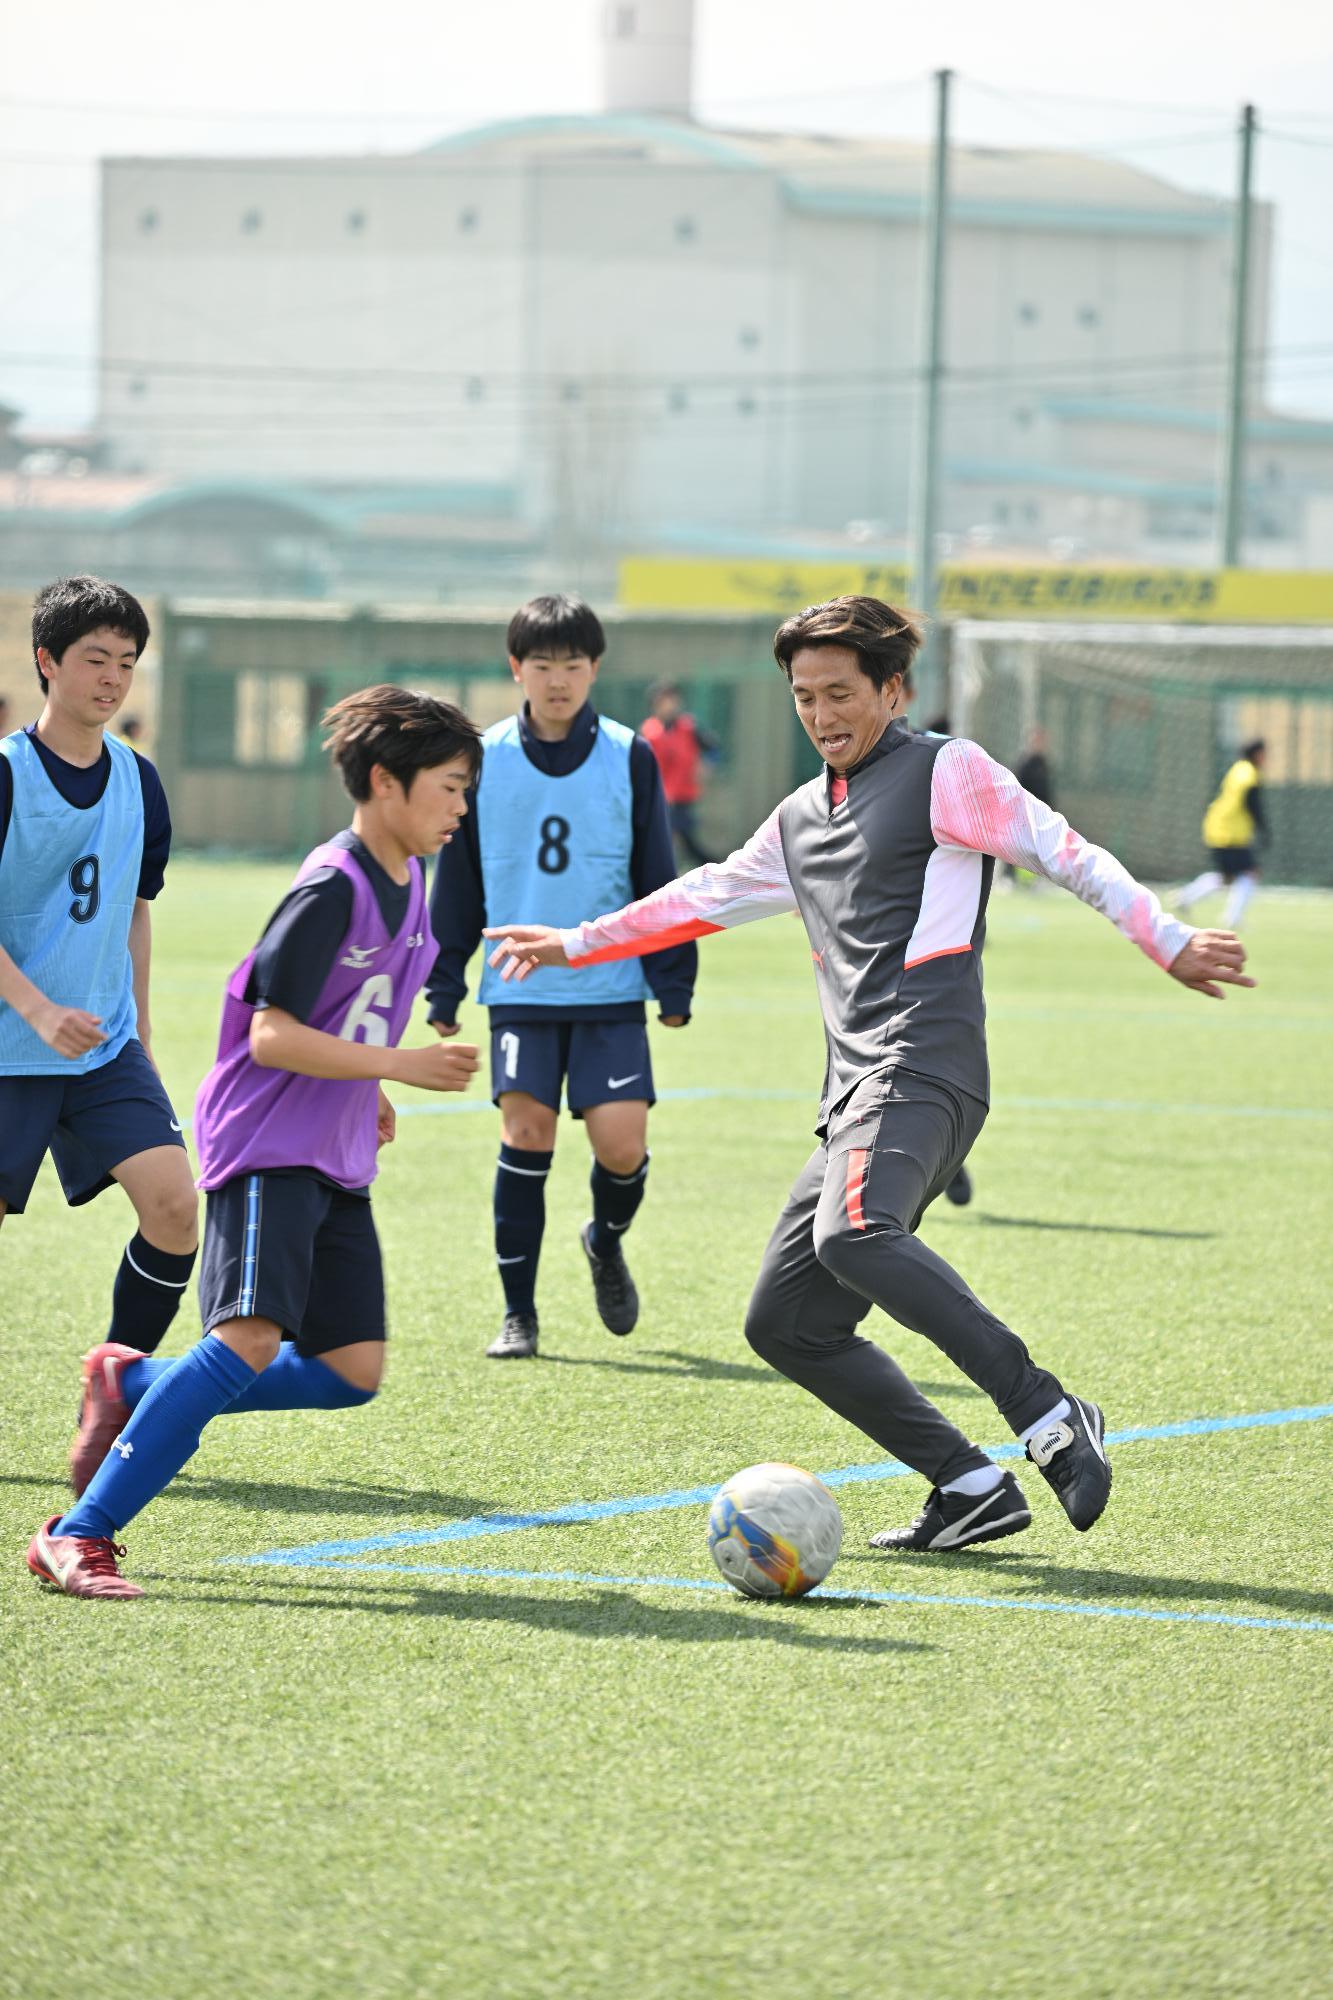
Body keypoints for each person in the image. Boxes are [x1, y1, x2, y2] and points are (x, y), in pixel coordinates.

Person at [484, 596, 1253, 1553]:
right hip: (853, 1095)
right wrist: (574, 943)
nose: (820, 714)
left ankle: (1047, 1410)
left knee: (853, 1231)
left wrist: (1167, 938)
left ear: (893, 690)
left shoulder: (946, 771)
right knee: (785, 1322)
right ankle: (967, 1484)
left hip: (924, 1065)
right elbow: (703, 894)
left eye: (840, 692)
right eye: (803, 697)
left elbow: (1064, 850)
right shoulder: (801, 817)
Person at [27, 684, 482, 1598]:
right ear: (385, 784)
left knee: (351, 1371)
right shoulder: (331, 885)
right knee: (245, 1339)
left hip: (333, 1149)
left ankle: (136, 1382)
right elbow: (271, 1034)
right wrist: (395, 1065)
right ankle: (79, 1533)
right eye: (450, 787)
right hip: (269, 1144)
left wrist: (369, 1091)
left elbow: (350, 1008)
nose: (460, 809)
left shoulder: (415, 876)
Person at [426, 594, 696, 1360]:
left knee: (619, 1147)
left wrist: (672, 980)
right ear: (516, 668)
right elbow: (460, 878)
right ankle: (519, 1315)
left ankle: (604, 1238)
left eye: (572, 666)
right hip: (519, 987)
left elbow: (656, 873)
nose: (557, 680)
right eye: (541, 665)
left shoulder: (628, 753)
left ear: (594, 670)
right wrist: (445, 982)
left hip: (609, 987)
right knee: (526, 1134)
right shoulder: (483, 758)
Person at [0, 576, 198, 1355]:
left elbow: (132, 911)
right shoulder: (7, 773)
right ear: (47, 661)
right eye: (94, 659)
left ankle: (114, 1388)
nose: (112, 678)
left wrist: (140, 1032)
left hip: (101, 1047)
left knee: (175, 1209)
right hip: (11, 1046)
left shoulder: (140, 781)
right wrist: (39, 1010)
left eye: (126, 662)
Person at [1176, 739, 1267, 930]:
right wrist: (1264, 830)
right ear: (1257, 754)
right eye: (1264, 753)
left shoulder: (1238, 770)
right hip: (1229, 834)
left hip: (1219, 829)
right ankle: (1232, 917)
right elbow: (1253, 805)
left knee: (1226, 878)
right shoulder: (1249, 774)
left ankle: (1186, 897)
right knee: (1250, 874)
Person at [642, 680, 720, 867]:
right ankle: (712, 867)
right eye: (663, 700)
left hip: (683, 795)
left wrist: (707, 765)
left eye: (672, 700)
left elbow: (713, 749)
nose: (669, 705)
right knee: (675, 838)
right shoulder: (648, 732)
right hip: (658, 796)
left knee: (680, 837)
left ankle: (714, 867)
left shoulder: (689, 728)